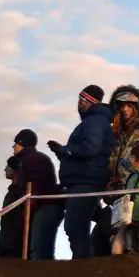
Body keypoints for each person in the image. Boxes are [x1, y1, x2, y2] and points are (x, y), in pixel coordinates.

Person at [47, 85, 115, 259]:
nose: (78, 103)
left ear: (88, 101)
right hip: (82, 179)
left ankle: (83, 263)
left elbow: (90, 149)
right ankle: (101, 219)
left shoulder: (96, 121)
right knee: (78, 222)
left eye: (82, 99)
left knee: (75, 224)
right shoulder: (92, 121)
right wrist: (61, 152)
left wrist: (65, 151)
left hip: (87, 180)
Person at [12, 129, 64, 260]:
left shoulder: (32, 159)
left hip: (45, 206)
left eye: (15, 143)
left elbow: (37, 185)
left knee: (40, 250)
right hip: (44, 206)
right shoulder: (30, 159)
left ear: (22, 143)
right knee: (41, 248)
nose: (13, 147)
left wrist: (29, 206)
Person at [0, 156, 25, 258]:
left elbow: (18, 220)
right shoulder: (11, 192)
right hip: (3, 240)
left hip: (13, 245)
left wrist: (9, 242)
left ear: (15, 169)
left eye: (8, 166)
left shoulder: (20, 193)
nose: (5, 169)